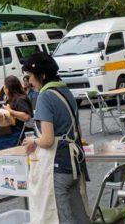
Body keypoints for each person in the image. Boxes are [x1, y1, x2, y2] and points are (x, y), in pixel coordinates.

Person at [22, 52, 90, 224]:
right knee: (79, 215)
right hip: (74, 164)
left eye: (30, 76)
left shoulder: (45, 96)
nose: (29, 82)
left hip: (56, 166)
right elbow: (77, 130)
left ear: (42, 75)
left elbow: (47, 140)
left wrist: (33, 141)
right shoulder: (65, 90)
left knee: (60, 218)